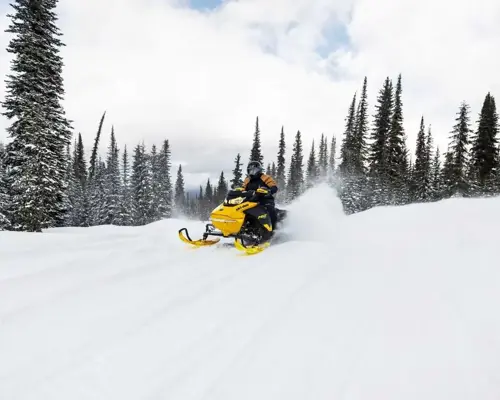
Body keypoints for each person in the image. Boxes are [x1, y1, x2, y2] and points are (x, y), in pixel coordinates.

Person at [241, 161, 279, 230]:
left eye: (254, 170)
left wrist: (269, 191)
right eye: (250, 170)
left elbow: (273, 186)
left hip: (265, 200)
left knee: (270, 210)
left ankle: (273, 229)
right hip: (251, 200)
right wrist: (239, 192)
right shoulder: (247, 180)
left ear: (259, 170)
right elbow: (242, 189)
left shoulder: (265, 177)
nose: (252, 172)